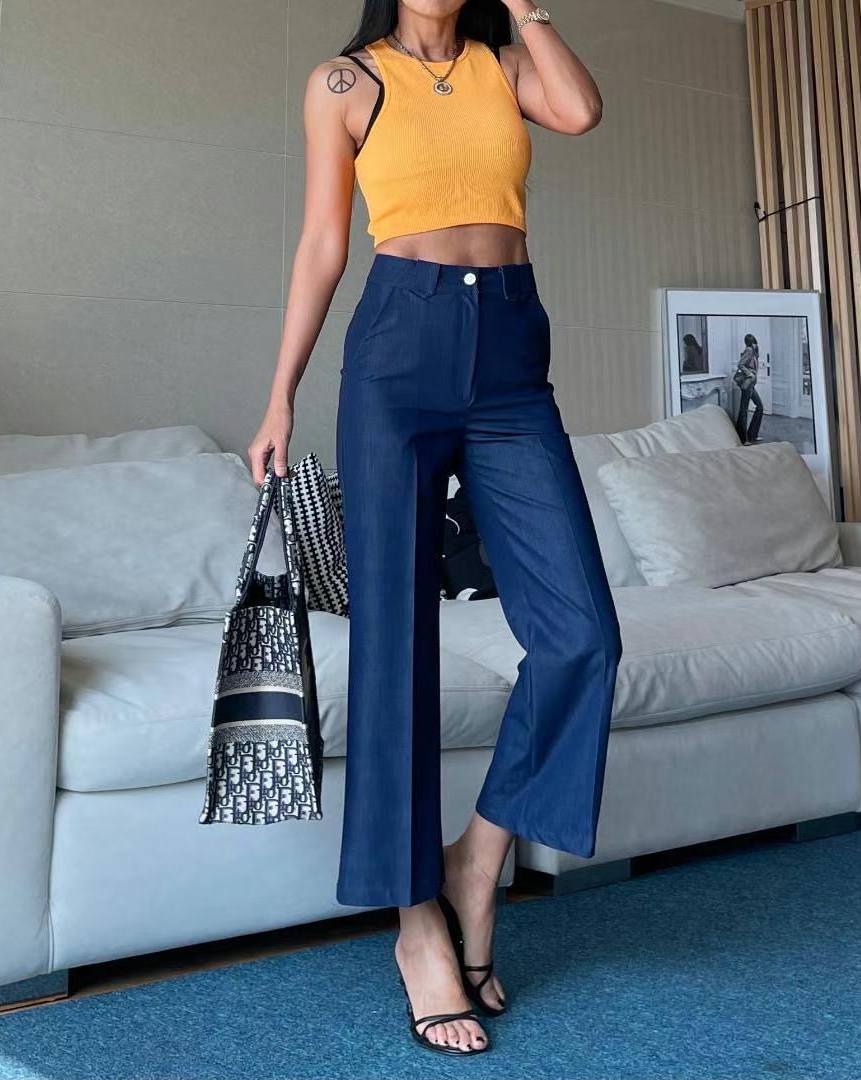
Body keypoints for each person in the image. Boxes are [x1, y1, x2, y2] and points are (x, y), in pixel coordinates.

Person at [247, 0, 622, 1057]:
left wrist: (532, 11)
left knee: (583, 635)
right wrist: (280, 396)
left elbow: (581, 111)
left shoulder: (505, 64)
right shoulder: (345, 83)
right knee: (395, 650)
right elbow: (324, 242)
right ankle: (417, 925)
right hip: (397, 347)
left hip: (510, 348)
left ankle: (476, 859)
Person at [734, 332, 764, 443]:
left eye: (755, 342)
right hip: (747, 384)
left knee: (759, 406)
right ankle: (743, 439)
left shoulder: (754, 352)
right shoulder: (749, 350)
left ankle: (752, 435)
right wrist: (749, 374)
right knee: (744, 410)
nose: (756, 344)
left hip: (751, 384)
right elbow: (740, 364)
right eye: (754, 342)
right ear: (751, 343)